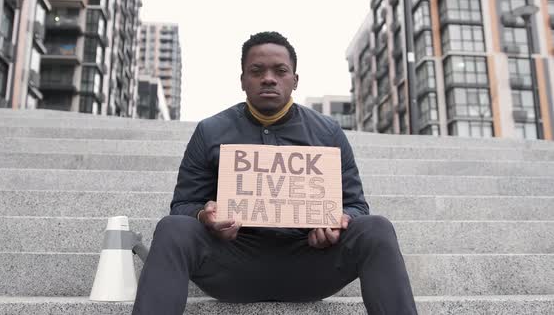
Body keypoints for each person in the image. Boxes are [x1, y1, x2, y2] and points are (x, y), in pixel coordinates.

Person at [132, 31, 417, 315]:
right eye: (257, 71)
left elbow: (356, 206)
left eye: (280, 71)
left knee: (376, 228)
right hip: (231, 266)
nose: (269, 78)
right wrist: (203, 216)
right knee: (172, 228)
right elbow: (182, 206)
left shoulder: (328, 132)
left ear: (295, 79)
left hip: (311, 263)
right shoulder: (209, 131)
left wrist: (338, 222)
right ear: (243, 79)